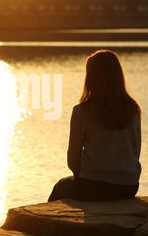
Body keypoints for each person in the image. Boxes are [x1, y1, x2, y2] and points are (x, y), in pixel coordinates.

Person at [48, 50, 141, 202]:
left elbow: (72, 159)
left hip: (93, 186)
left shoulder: (82, 111)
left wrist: (85, 176)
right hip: (128, 187)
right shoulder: (133, 109)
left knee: (60, 187)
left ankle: (43, 224)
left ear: (90, 78)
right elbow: (135, 152)